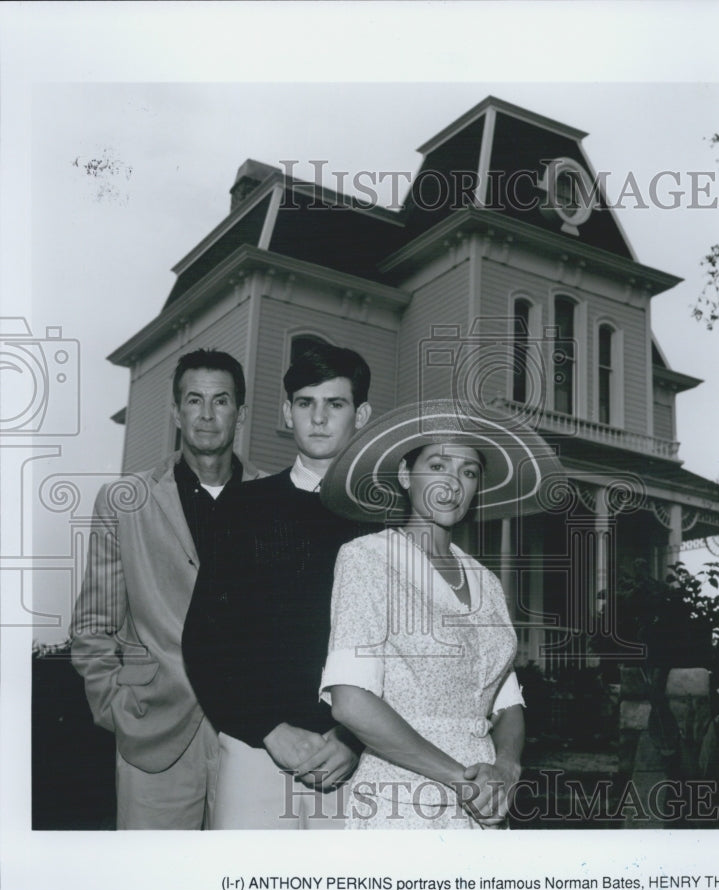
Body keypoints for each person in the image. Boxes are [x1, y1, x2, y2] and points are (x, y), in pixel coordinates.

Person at [318, 399, 564, 829]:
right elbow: (351, 702)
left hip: (486, 801)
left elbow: (507, 704)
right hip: (404, 797)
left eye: (468, 472)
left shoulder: (485, 580)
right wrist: (458, 779)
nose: (452, 484)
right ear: (405, 475)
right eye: (437, 466)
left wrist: (506, 766)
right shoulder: (368, 559)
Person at [182, 343, 373, 829]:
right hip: (256, 748)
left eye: (336, 404)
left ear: (362, 414)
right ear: (287, 413)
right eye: (305, 403)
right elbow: (207, 639)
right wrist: (268, 729)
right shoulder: (244, 507)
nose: (319, 418)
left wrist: (353, 739)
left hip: (353, 755)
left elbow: (396, 648)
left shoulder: (384, 521)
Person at [70, 349, 261, 829]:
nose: (207, 415)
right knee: (154, 885)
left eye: (221, 401)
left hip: (251, 735)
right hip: (153, 732)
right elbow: (94, 623)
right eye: (194, 400)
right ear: (176, 412)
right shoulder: (125, 501)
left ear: (241, 411)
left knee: (237, 886)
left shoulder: (270, 498)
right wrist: (115, 707)